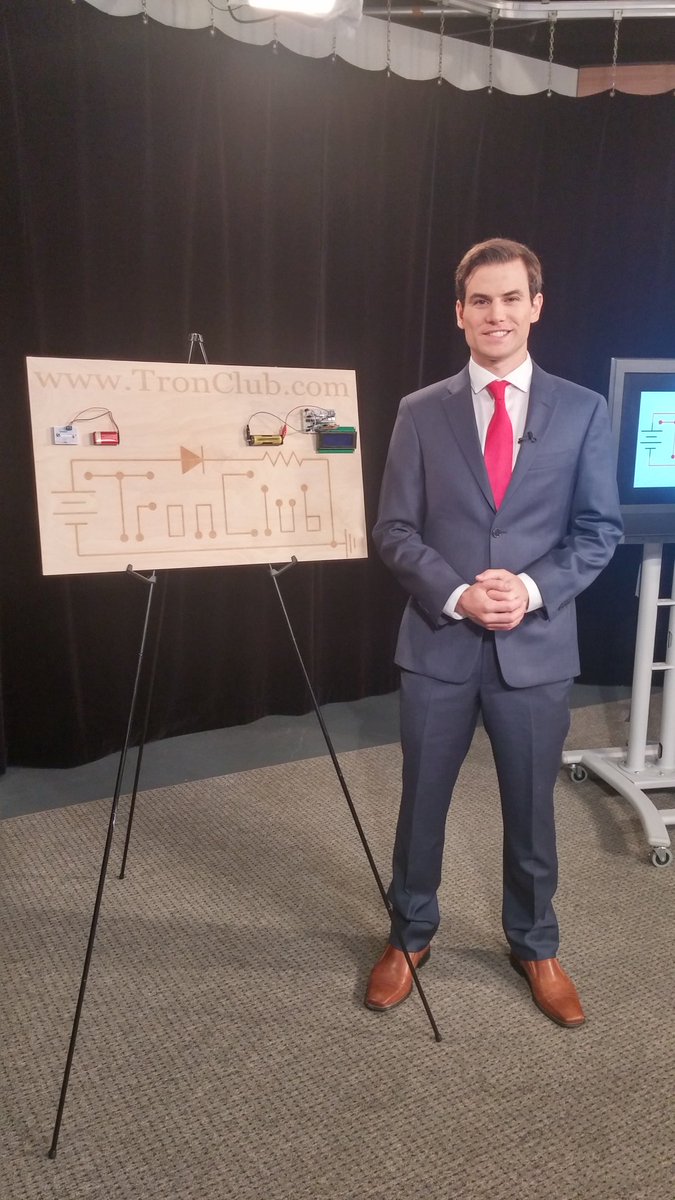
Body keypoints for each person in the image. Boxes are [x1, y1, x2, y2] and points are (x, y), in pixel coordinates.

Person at [365, 238, 622, 1028]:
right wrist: (457, 594)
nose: (496, 313)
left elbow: (597, 530)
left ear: (535, 307)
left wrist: (531, 589)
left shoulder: (582, 410)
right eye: (480, 300)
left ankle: (534, 944)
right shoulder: (419, 411)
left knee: (532, 809)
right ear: (459, 313)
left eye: (511, 298)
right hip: (437, 645)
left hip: (535, 648)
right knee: (421, 803)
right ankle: (409, 934)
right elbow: (394, 529)